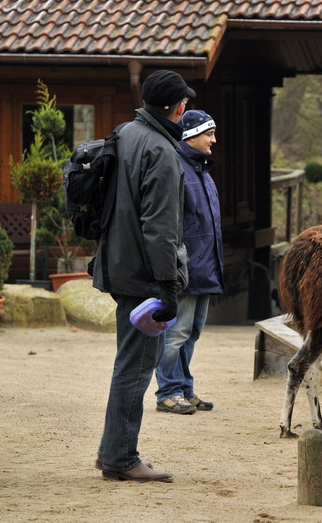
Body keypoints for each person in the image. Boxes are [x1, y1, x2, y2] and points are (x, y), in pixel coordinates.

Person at [93, 70, 195, 483]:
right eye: (184, 101)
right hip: (144, 275)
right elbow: (160, 226)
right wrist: (168, 286)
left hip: (118, 263)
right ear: (177, 107)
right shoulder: (161, 150)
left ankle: (112, 451)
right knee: (135, 367)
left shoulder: (125, 133)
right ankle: (121, 458)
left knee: (128, 362)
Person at [155, 110, 225, 414]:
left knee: (192, 332)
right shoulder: (177, 169)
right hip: (185, 270)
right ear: (191, 136)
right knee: (175, 334)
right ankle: (168, 392)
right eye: (209, 134)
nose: (213, 140)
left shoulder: (203, 170)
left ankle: (184, 387)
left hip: (204, 269)